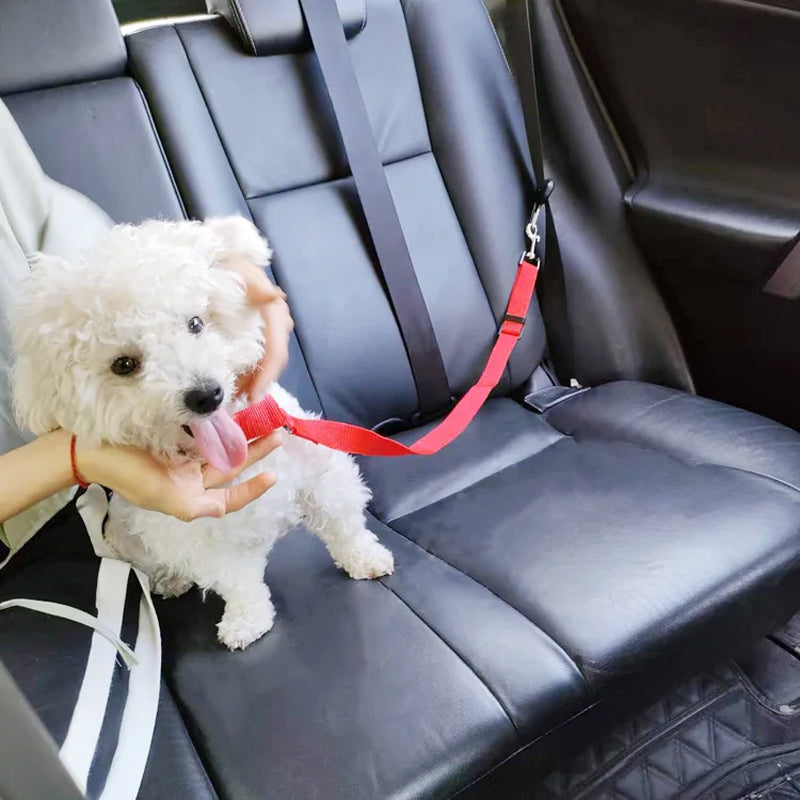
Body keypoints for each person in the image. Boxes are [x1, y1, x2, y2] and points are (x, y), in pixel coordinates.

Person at [0, 99, 294, 533]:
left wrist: (220, 260)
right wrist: (77, 456)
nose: (201, 386)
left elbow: (49, 214)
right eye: (126, 365)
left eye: (194, 326)